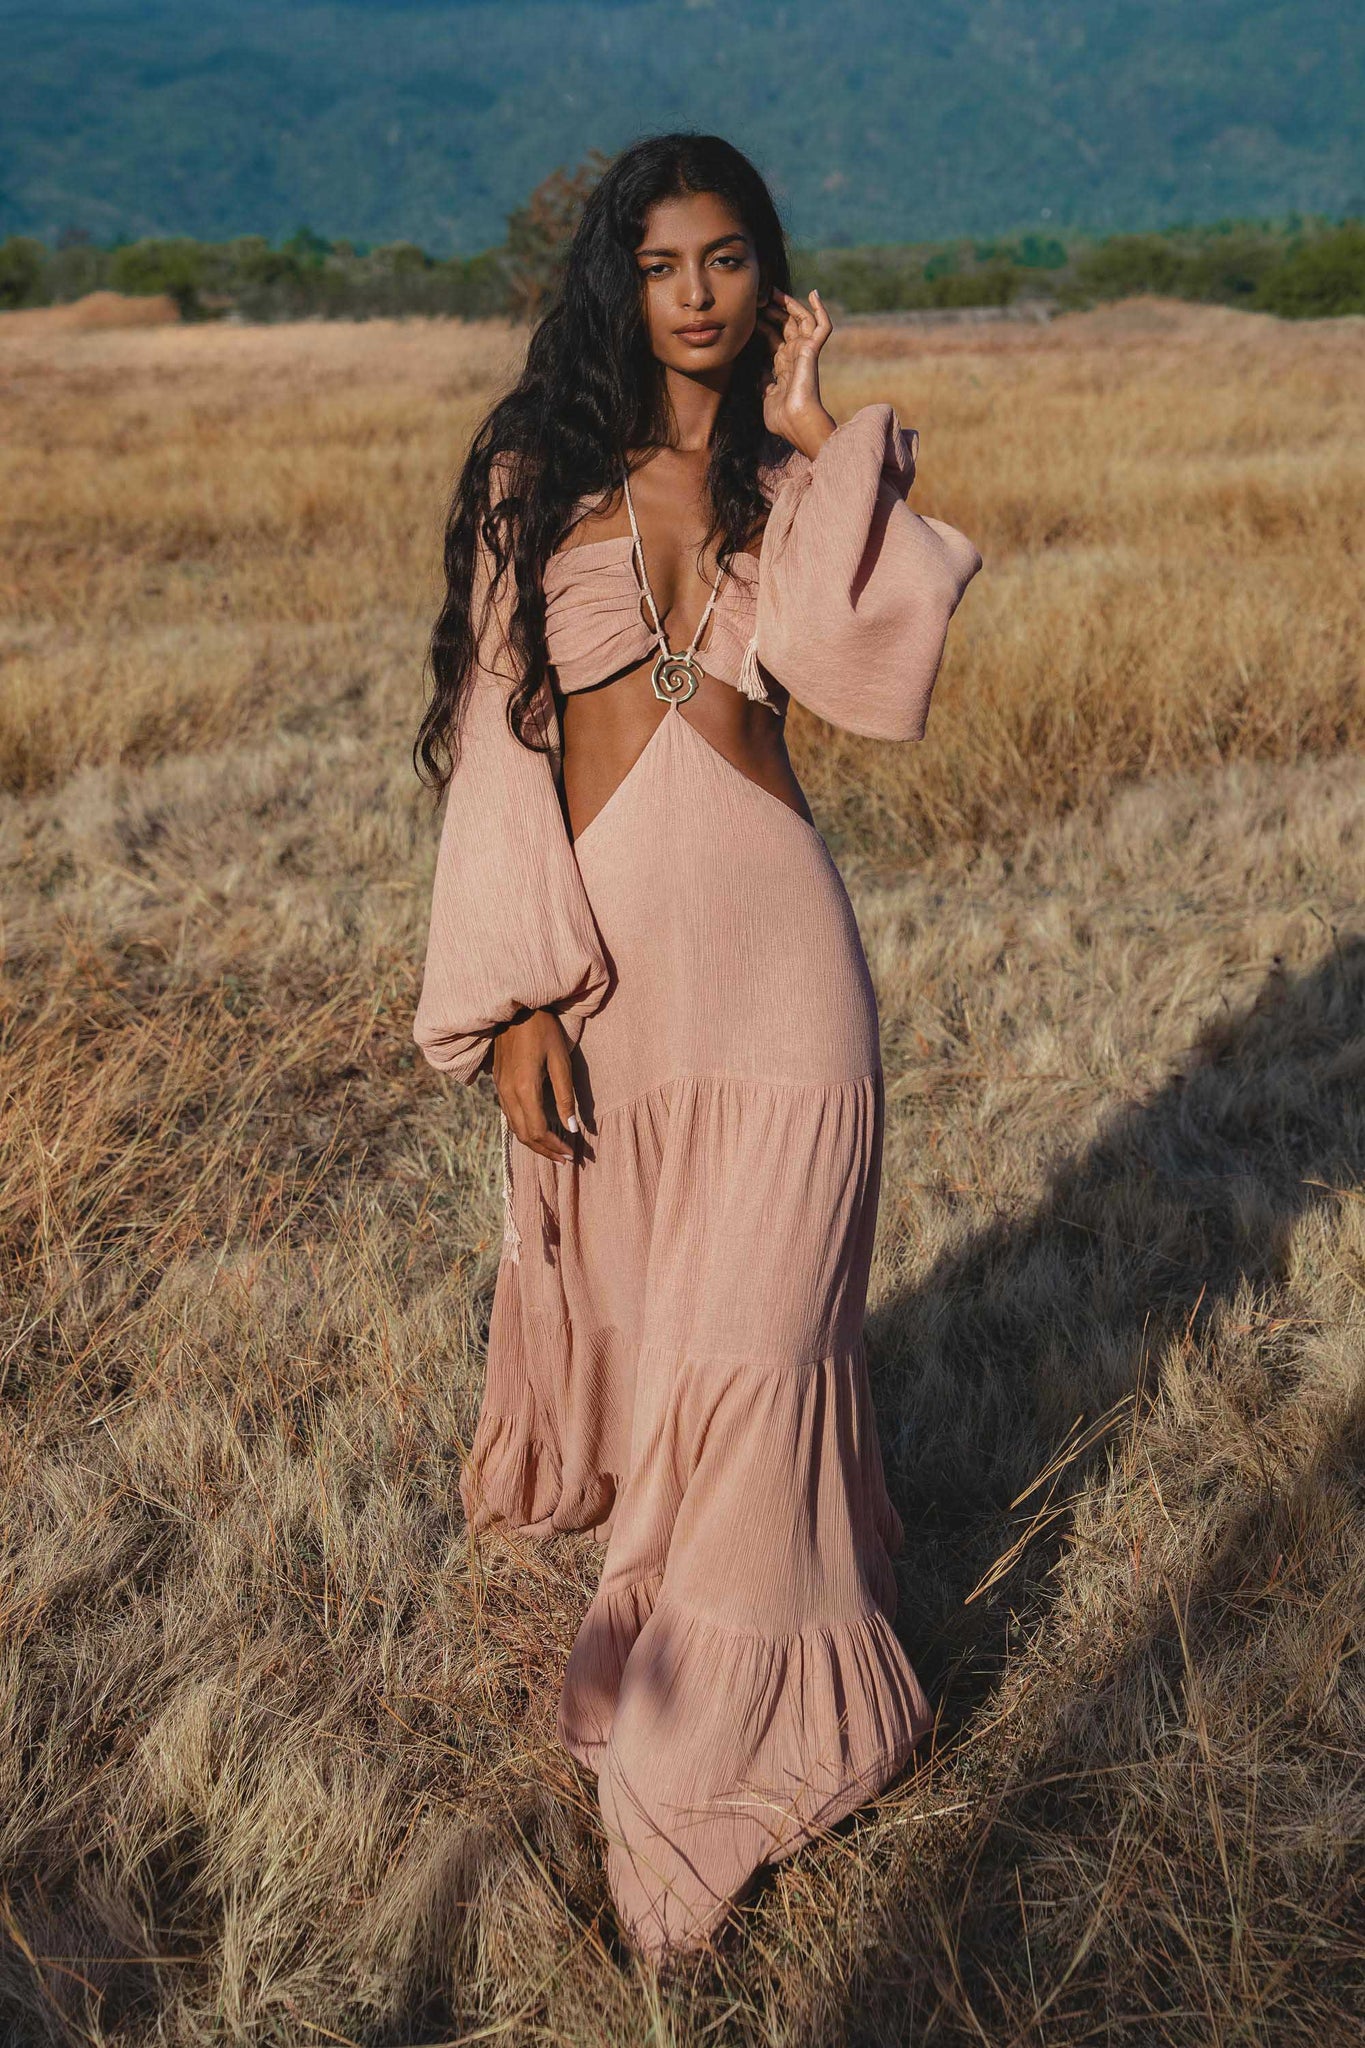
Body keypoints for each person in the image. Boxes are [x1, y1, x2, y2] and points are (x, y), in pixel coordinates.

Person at [411, 132, 981, 1959]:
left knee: (759, 1353)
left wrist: (819, 441)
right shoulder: (533, 476)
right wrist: (508, 1002)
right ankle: (749, 1713)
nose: (702, 294)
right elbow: (500, 761)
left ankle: (709, 1792)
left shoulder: (774, 475)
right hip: (618, 989)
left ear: (764, 276)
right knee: (676, 1363)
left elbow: (870, 676)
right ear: (619, 282)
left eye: (730, 260)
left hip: (784, 973)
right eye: (665, 264)